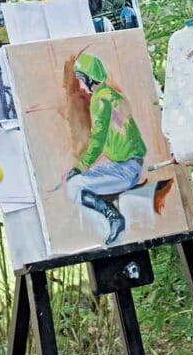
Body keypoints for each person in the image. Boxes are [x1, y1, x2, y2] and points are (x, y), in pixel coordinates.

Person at [62, 51, 147, 245]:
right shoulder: (111, 94)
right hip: (126, 164)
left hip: (126, 169)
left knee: (74, 186)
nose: (80, 84)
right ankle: (112, 217)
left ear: (89, 78)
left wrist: (80, 167)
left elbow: (98, 140)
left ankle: (114, 218)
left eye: (81, 79)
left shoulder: (100, 100)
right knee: (76, 181)